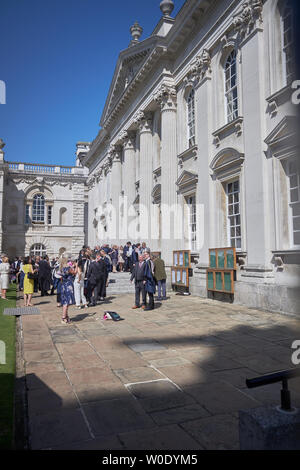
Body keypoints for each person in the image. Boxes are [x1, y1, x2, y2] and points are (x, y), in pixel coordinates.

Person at [59, 257, 76, 324]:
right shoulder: (68, 268)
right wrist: (76, 266)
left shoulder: (61, 269)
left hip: (63, 285)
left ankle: (66, 316)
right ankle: (63, 317)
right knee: (66, 303)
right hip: (68, 286)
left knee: (65, 302)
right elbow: (74, 273)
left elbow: (61, 278)